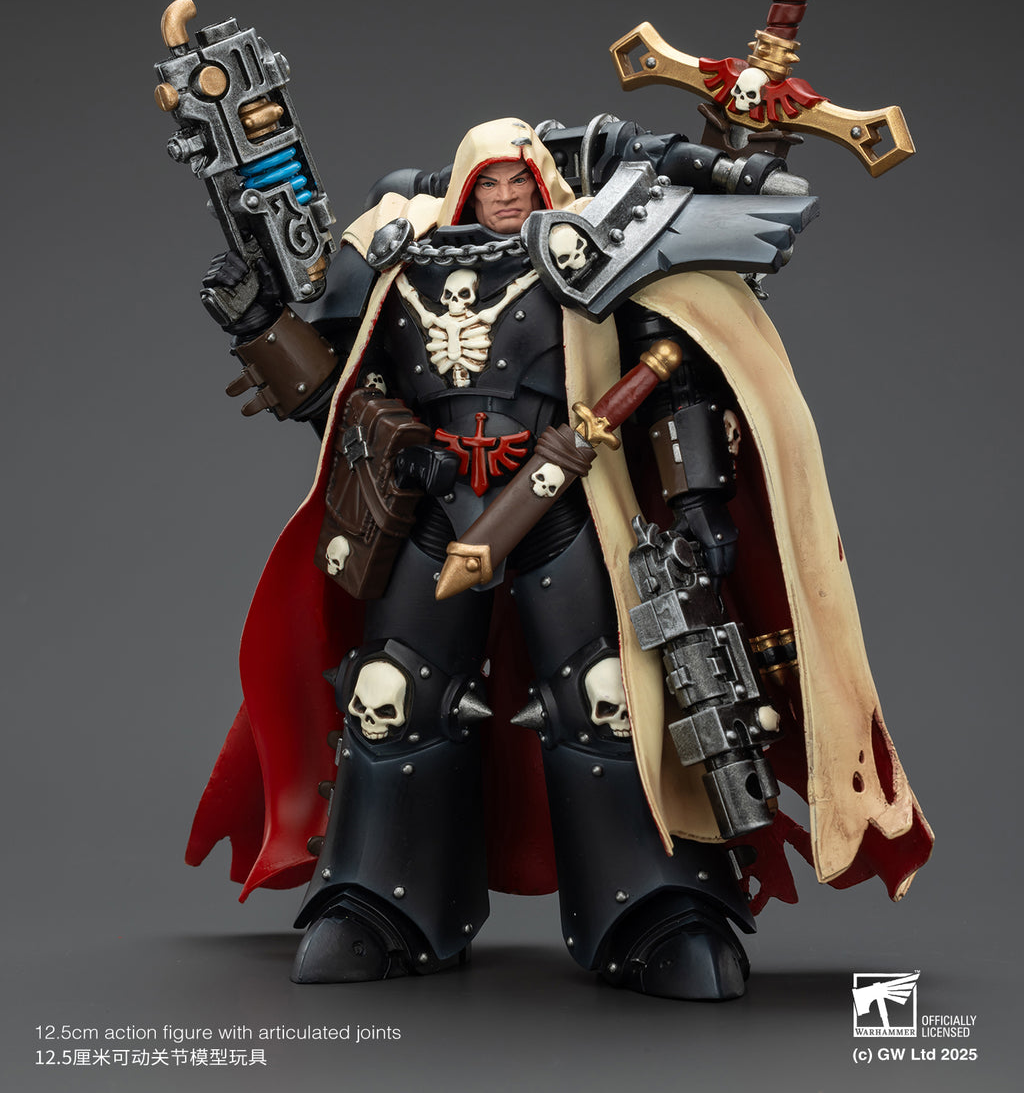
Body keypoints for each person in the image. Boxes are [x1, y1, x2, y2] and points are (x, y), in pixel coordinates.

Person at [187, 116, 932, 1000]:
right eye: (489, 184)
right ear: (460, 187)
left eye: (521, 182)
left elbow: (680, 378)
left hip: (563, 505)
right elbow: (336, 392)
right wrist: (261, 323)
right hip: (431, 508)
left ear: (546, 183)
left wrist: (698, 498)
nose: (506, 198)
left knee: (610, 696)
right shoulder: (394, 257)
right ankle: (382, 901)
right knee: (390, 696)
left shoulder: (586, 254)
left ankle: (655, 905)